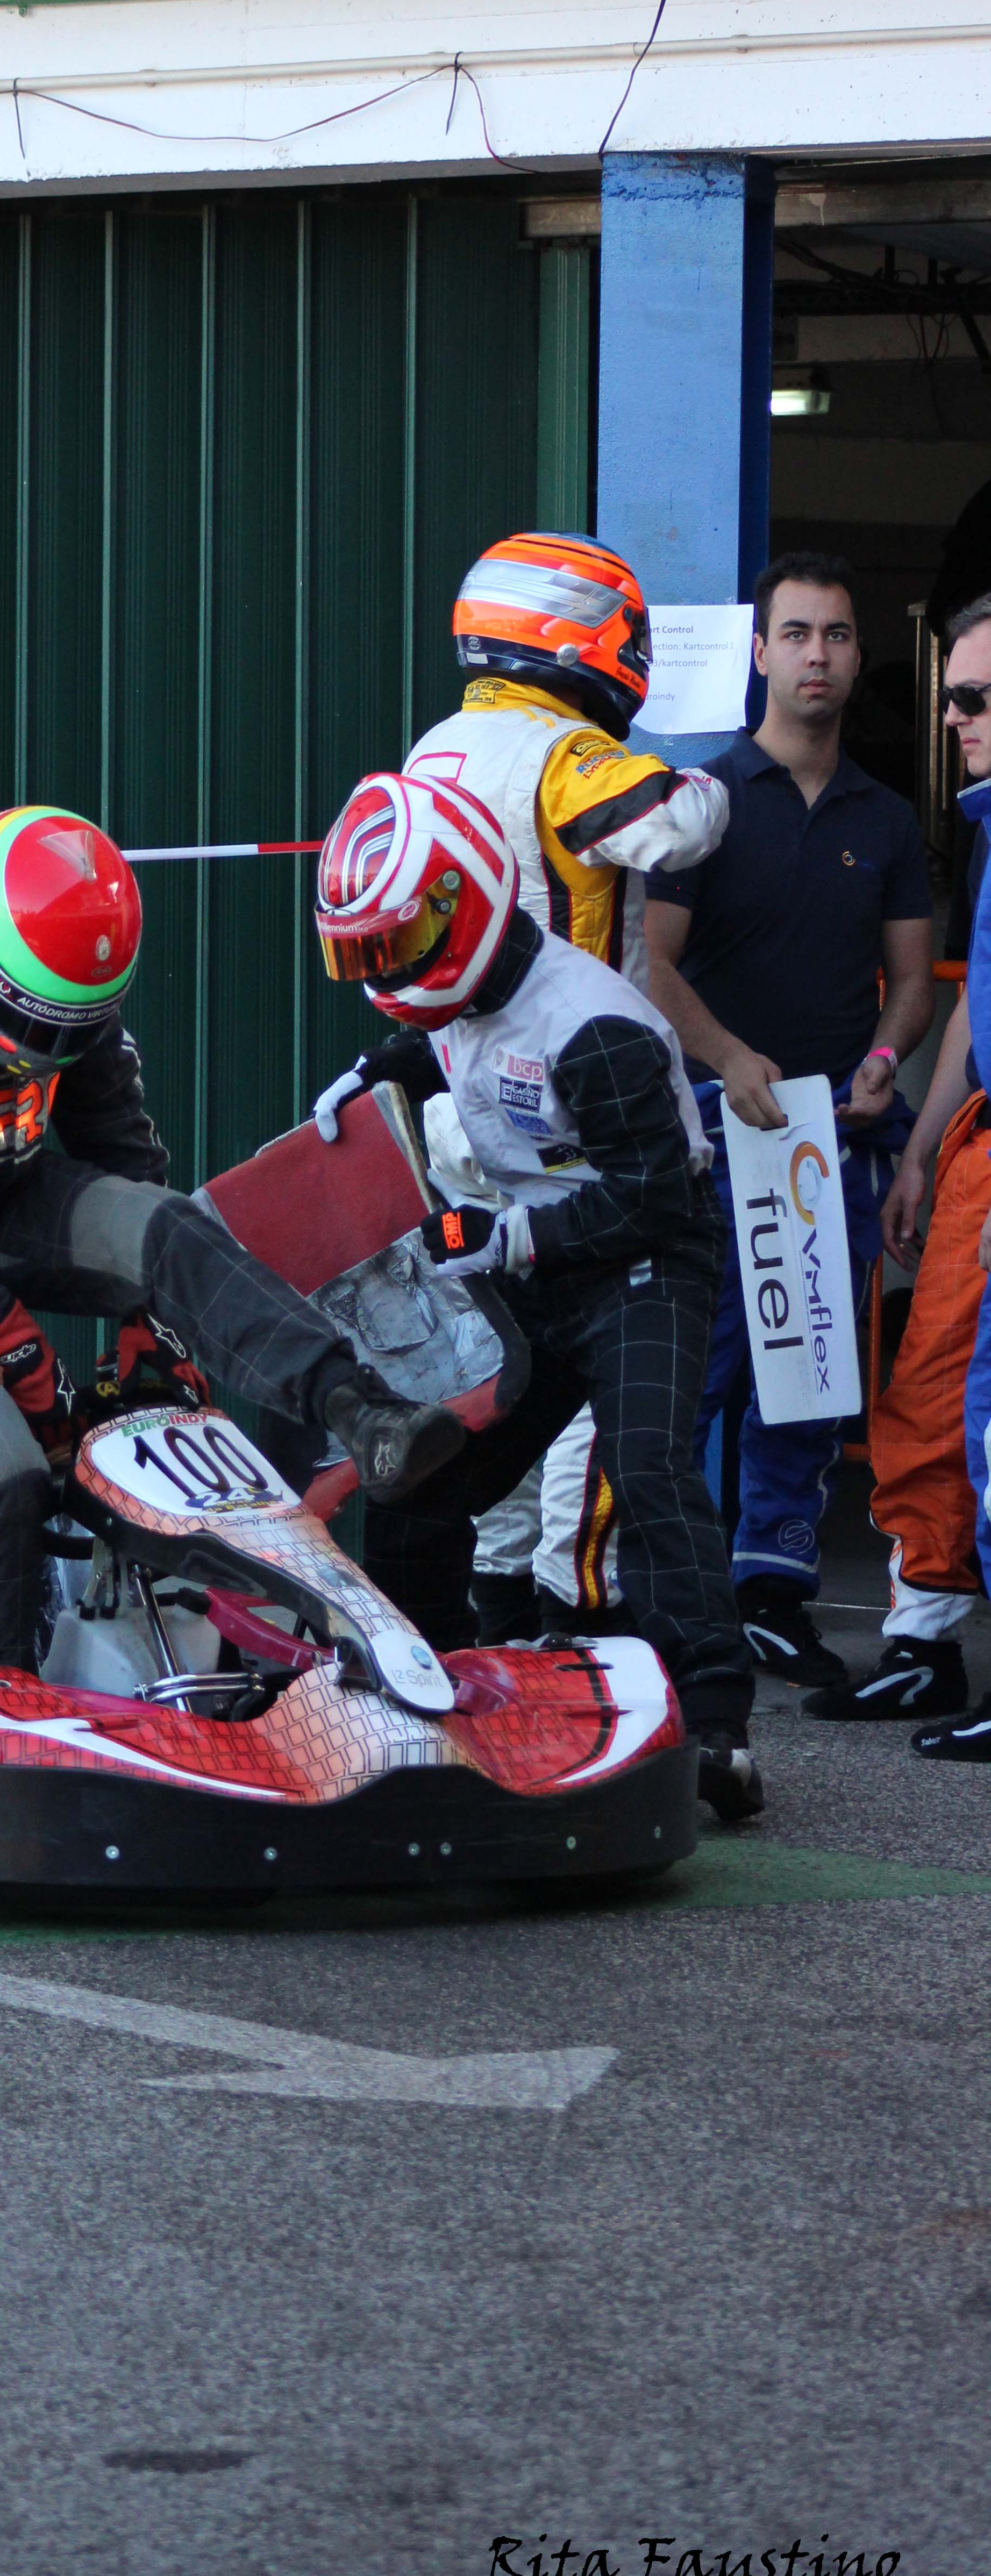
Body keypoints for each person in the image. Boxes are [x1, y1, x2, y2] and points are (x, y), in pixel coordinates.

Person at [0, 804, 463, 1671]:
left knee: (173, 1230)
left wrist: (157, 1318)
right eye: (36, 1024)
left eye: (73, 1029)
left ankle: (360, 1408)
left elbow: (127, 1160)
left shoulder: (74, 1001)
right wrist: (20, 1352)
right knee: (0, 1472)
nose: (50, 1047)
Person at [312, 769, 761, 1821]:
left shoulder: (594, 1027)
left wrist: (518, 1236)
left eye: (393, 946)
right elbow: (439, 1041)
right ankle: (417, 1687)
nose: (384, 970)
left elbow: (655, 1199)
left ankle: (720, 1731)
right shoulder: (460, 990)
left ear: (461, 902)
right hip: (537, 1257)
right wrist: (375, 1078)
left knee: (650, 1468)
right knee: (423, 1467)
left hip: (646, 1258)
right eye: (365, 953)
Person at [390, 530, 731, 1640]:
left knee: (489, 1380)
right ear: (588, 637)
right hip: (573, 1113)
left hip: (456, 1108)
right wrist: (712, 785)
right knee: (594, 1404)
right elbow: (672, 828)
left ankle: (486, 1629)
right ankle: (585, 1628)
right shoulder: (562, 749)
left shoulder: (434, 746)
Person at [644, 551, 933, 1686]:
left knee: (807, 1378)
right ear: (759, 652)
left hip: (834, 1141)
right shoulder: (700, 802)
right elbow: (647, 964)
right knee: (693, 1373)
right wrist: (725, 1056)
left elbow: (911, 985)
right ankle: (652, 1601)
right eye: (799, 633)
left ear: (861, 657)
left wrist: (880, 1058)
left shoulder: (889, 820)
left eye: (840, 635)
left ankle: (773, 1595)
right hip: (715, 1133)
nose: (820, 654)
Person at [833, 597, 991, 1746]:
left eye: (976, 701)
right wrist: (926, 1155)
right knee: (932, 1394)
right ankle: (925, 1644)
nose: (952, 719)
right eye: (952, 696)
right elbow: (980, 997)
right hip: (978, 1134)